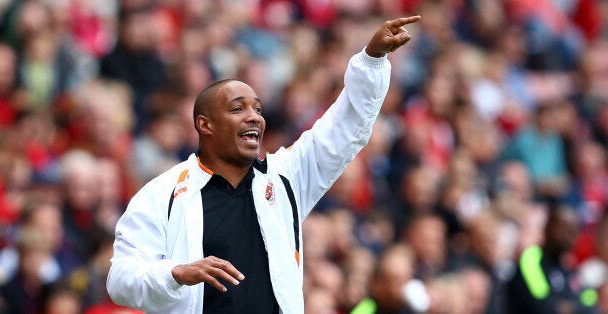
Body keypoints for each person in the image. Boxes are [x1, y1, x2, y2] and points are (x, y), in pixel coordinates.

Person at [106, 15, 421, 314]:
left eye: (257, 108)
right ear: (206, 124)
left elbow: (344, 130)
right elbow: (120, 279)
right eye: (237, 108)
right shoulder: (164, 193)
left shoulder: (286, 178)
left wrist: (372, 59)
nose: (254, 116)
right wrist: (175, 273)